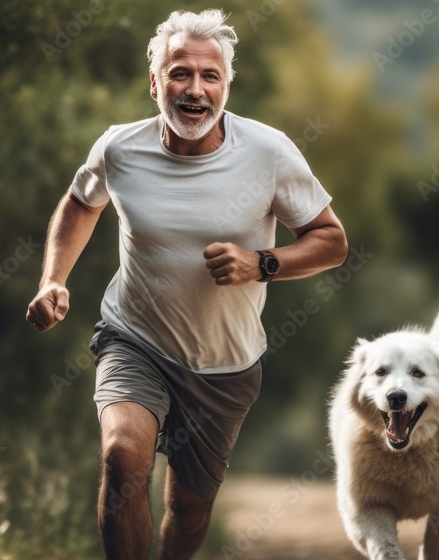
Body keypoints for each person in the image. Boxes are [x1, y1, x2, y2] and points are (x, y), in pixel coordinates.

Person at [26, 9, 348, 559]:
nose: (194, 89)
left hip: (226, 364)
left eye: (209, 76)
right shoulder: (119, 148)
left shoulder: (268, 153)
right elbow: (81, 203)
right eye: (179, 73)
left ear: (226, 85)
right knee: (122, 457)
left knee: (190, 510)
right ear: (154, 83)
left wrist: (261, 263)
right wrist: (53, 279)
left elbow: (331, 240)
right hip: (134, 339)